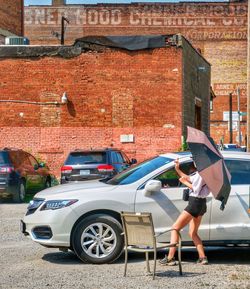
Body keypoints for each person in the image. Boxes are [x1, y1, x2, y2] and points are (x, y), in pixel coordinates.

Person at [159, 158, 210, 266]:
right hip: (201, 204)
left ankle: (170, 258)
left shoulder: (202, 173)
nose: (194, 161)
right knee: (193, 233)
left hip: (195, 203)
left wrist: (184, 182)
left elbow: (195, 188)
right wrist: (177, 169)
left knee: (175, 228)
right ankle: (202, 257)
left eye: (196, 159)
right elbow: (190, 178)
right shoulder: (204, 172)